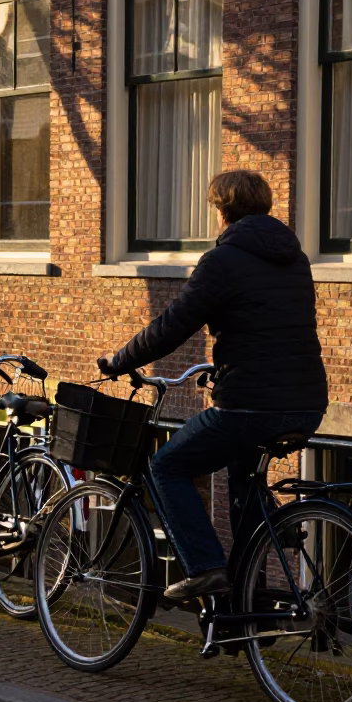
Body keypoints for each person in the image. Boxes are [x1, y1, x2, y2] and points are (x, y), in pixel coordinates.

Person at [97, 171, 328, 600]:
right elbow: (269, 327)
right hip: (308, 402)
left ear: (222, 211)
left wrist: (120, 361)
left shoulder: (223, 260)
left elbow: (172, 326)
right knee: (243, 482)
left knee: (164, 467)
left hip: (250, 405)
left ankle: (205, 568)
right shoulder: (296, 259)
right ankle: (250, 585)